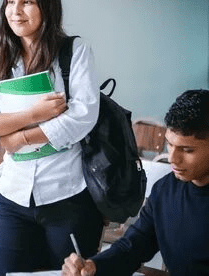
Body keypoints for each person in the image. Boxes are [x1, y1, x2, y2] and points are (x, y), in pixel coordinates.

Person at [0, 0, 103, 274]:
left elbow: (83, 116)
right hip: (13, 197)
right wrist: (32, 116)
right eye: (10, 2)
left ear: (48, 6)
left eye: (27, 2)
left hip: (67, 195)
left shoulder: (74, 52)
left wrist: (17, 139)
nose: (16, 11)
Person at [62, 89, 209, 276]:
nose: (173, 158)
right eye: (170, 144)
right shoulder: (165, 190)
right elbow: (133, 246)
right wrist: (94, 266)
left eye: (187, 150)